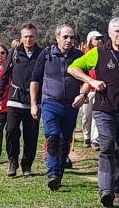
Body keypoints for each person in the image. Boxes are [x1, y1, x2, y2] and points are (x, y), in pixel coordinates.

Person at [69, 16, 119, 207]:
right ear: (110, 33)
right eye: (117, 31)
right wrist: (91, 81)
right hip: (104, 109)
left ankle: (115, 189)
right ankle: (105, 190)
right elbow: (73, 68)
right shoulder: (98, 52)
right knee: (107, 146)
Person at [32, 25, 83, 190]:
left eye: (72, 37)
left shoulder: (79, 56)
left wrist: (82, 95)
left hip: (71, 105)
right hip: (50, 102)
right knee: (53, 136)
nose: (69, 40)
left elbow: (87, 79)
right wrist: (34, 104)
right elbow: (35, 80)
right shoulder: (46, 55)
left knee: (64, 140)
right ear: (57, 37)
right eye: (65, 37)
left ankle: (58, 174)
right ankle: (52, 172)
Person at [0, 25, 44, 177]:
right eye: (25, 36)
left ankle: (27, 166)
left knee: (31, 135)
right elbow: (5, 76)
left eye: (31, 36)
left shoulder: (42, 54)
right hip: (15, 99)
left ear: (35, 37)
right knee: (11, 131)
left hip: (34, 102)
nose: (28, 39)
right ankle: (13, 162)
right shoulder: (14, 53)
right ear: (21, 37)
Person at [77, 31, 105, 150]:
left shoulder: (105, 54)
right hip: (86, 90)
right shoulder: (83, 55)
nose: (99, 40)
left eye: (100, 38)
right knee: (86, 116)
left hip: (99, 90)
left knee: (96, 115)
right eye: (96, 38)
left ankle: (95, 139)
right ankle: (86, 135)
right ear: (90, 41)